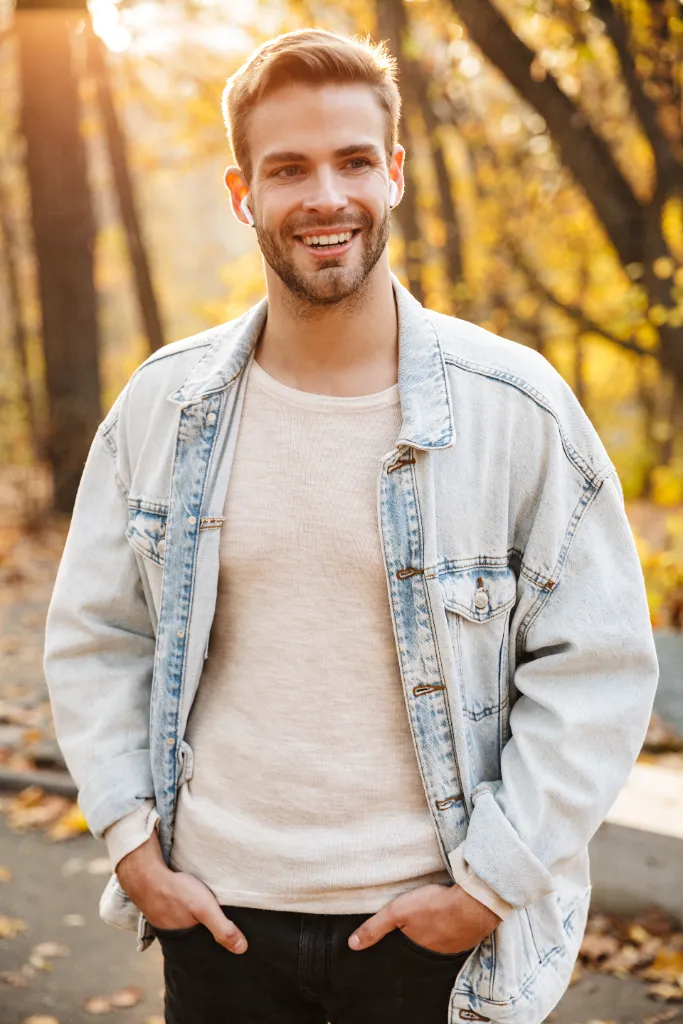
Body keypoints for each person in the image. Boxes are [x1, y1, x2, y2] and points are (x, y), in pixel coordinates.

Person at [43, 27, 659, 1024]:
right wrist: (131, 845)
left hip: (431, 934)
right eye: (288, 169)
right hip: (219, 923)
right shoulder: (164, 408)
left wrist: (487, 887)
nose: (325, 196)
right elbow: (97, 636)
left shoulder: (515, 408)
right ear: (243, 194)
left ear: (394, 174)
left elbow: (596, 665)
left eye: (354, 161)